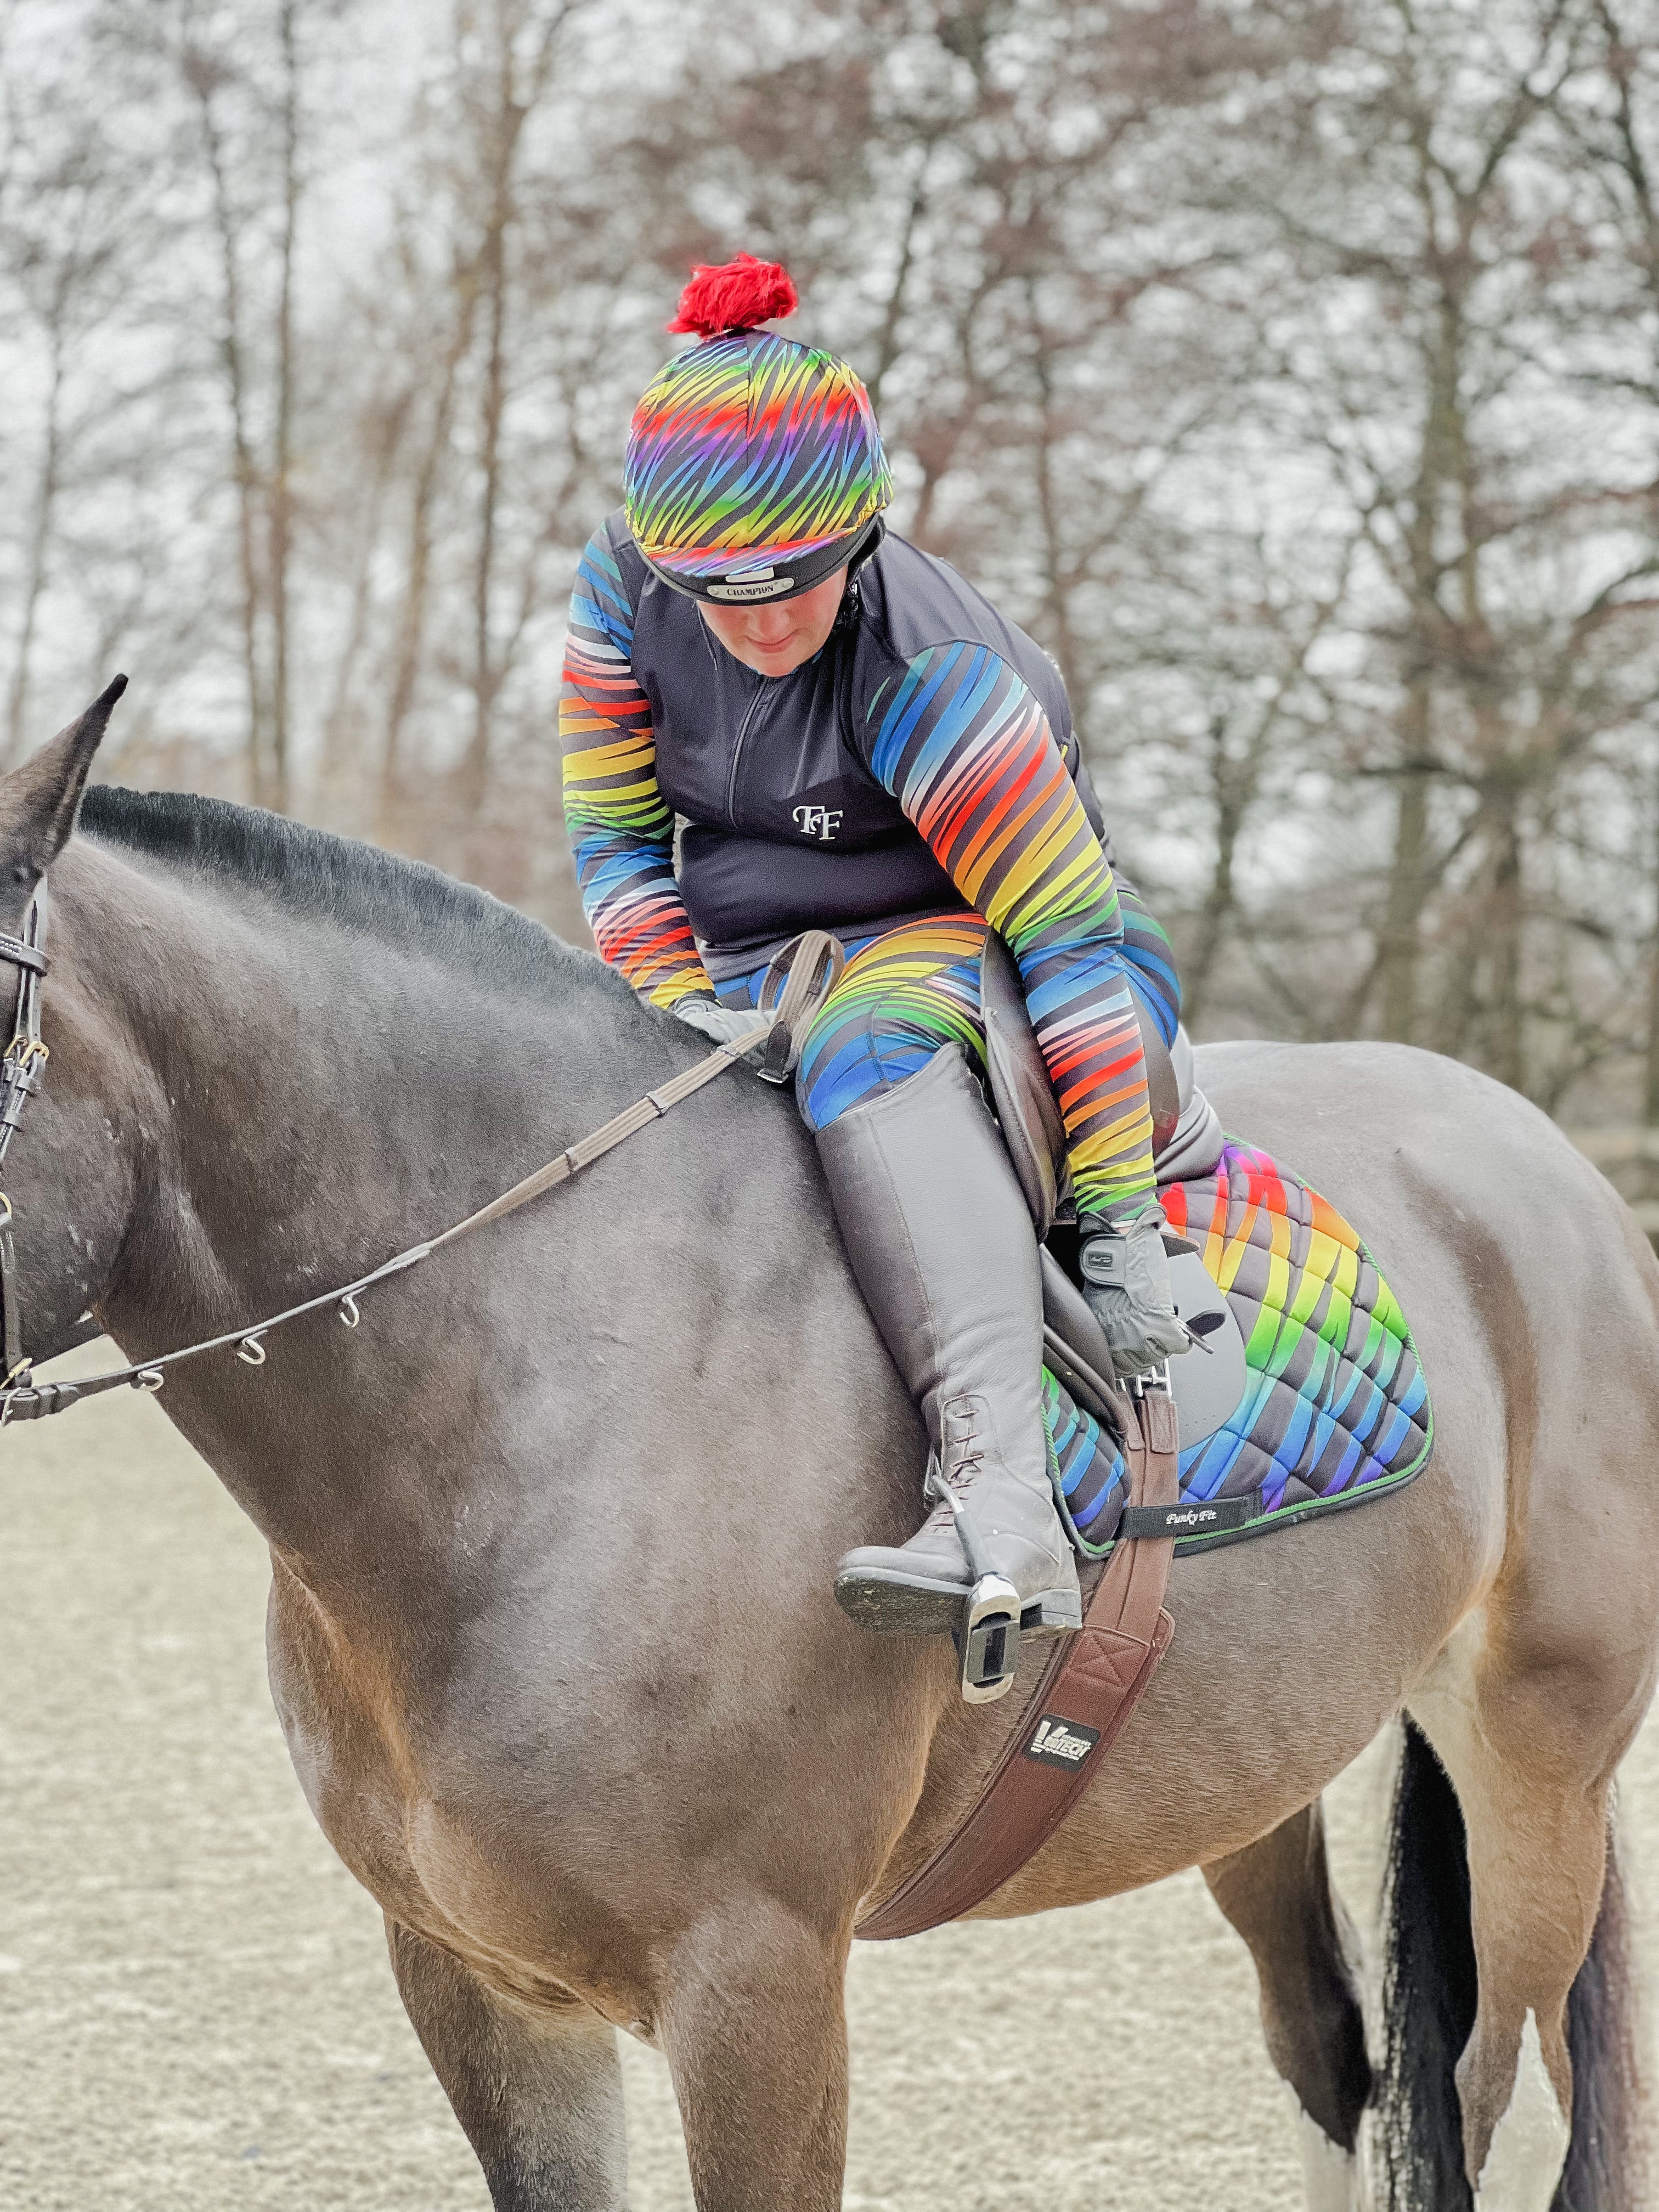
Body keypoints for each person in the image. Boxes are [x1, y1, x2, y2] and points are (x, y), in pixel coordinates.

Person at [561, 253, 1185, 1684]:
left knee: (864, 1041)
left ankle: (1005, 1507)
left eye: (802, 582)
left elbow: (1071, 945)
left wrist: (1118, 1211)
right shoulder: (621, 590)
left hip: (972, 942)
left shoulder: (938, 677)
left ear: (861, 537)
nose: (767, 621)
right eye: (722, 595)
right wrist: (679, 1014)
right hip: (739, 955)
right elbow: (612, 837)